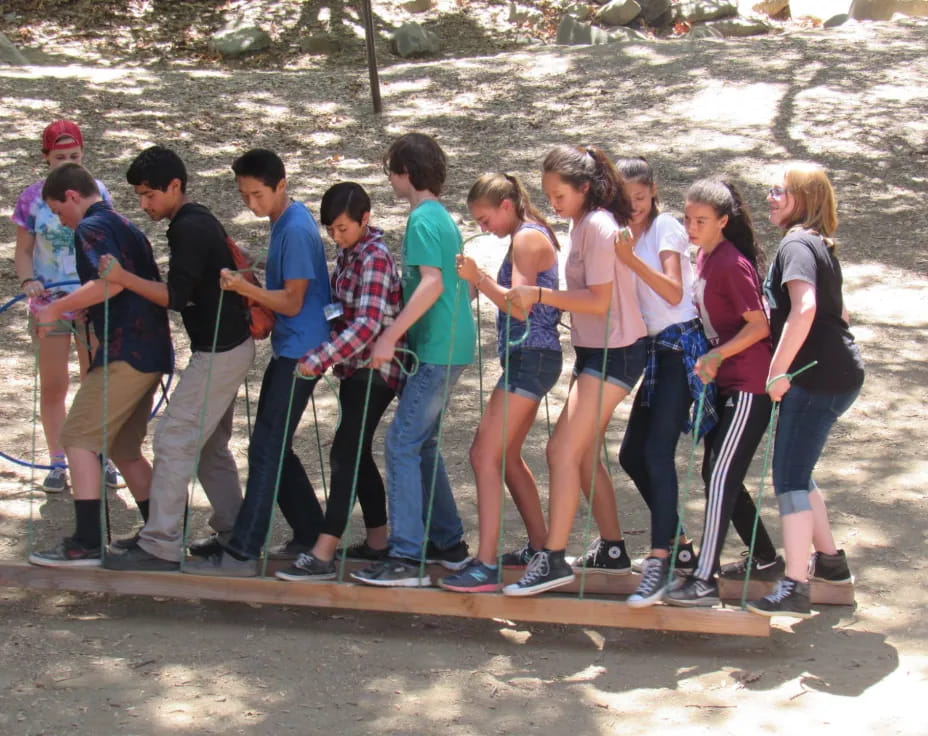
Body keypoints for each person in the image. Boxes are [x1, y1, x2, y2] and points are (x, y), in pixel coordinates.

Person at [96, 146, 255, 571]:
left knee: (173, 439)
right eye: (139, 197)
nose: (145, 204)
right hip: (225, 347)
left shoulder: (188, 228)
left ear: (175, 187)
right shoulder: (192, 221)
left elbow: (175, 297)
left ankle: (161, 544)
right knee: (209, 447)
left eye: (150, 195)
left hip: (221, 351)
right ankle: (232, 532)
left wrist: (121, 278)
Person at [502, 145, 648, 597]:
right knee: (580, 455)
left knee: (560, 451)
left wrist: (541, 298)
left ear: (584, 188)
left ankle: (552, 558)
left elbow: (599, 301)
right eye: (547, 194)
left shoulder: (601, 226)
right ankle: (613, 548)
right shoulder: (582, 222)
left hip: (616, 353)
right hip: (593, 352)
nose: (552, 203)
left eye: (558, 194)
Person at [185, 149, 331, 577]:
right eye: (244, 195)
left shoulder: (297, 229)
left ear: (281, 186)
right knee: (271, 443)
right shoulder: (282, 221)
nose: (252, 204)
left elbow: (292, 299)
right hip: (291, 345)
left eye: (258, 194)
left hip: (304, 351)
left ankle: (244, 552)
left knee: (267, 446)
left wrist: (239, 288)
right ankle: (309, 531)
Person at [28, 163, 172, 566]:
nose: (61, 219)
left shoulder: (90, 227)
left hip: (127, 352)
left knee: (77, 437)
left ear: (72, 196)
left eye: (58, 211)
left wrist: (56, 306)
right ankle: (159, 536)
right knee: (125, 447)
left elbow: (111, 282)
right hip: (152, 350)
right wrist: (82, 311)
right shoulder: (123, 223)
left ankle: (87, 542)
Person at [351, 132, 476, 588]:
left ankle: (405, 556)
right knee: (420, 443)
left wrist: (389, 336)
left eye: (391, 170)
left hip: (438, 349)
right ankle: (448, 543)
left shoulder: (423, 219)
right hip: (449, 345)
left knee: (401, 442)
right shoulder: (440, 216)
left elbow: (432, 284)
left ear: (405, 173)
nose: (389, 178)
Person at [747, 163, 864, 618]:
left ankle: (795, 584)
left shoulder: (796, 243)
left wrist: (778, 371)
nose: (770, 198)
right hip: (836, 373)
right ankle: (830, 564)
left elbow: (807, 308)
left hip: (817, 378)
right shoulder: (815, 244)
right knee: (801, 469)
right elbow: (843, 314)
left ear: (803, 197)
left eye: (779, 191)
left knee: (789, 479)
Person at [438, 173, 562, 593]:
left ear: (507, 206)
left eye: (485, 218)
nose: (483, 227)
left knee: (481, 454)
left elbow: (521, 307)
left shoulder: (527, 238)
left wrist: (479, 279)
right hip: (528, 359)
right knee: (506, 458)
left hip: (532, 358)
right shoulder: (527, 236)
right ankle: (541, 549)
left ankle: (486, 564)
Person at [662, 179, 782, 607]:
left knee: (719, 476)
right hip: (725, 385)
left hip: (750, 387)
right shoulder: (705, 256)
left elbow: (759, 325)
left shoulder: (731, 263)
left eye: (702, 221)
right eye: (688, 219)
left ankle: (704, 579)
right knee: (716, 473)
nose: (692, 227)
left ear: (723, 222)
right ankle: (766, 558)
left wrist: (717, 356)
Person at [275, 182, 404, 581]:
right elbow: (341, 313)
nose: (336, 235)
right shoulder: (348, 254)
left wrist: (319, 357)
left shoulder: (375, 258)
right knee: (356, 451)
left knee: (344, 453)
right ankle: (378, 541)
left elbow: (367, 327)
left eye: (344, 228)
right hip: (353, 369)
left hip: (377, 371)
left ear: (366, 219)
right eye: (331, 229)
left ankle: (324, 552)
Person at [610, 157, 708, 607]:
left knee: (655, 453)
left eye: (642, 198)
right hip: (652, 352)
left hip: (680, 348)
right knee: (632, 454)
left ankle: (660, 561)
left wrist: (629, 260)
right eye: (626, 200)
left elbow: (671, 291)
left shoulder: (666, 226)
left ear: (653, 192)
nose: (635, 208)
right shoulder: (622, 234)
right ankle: (681, 546)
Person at [11, 120, 122, 493]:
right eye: (59, 157)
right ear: (46, 158)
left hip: (90, 298)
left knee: (95, 382)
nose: (67, 163)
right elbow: (23, 252)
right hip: (50, 303)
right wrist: (29, 283)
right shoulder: (31, 199)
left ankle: (96, 455)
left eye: (74, 156)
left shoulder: (97, 193)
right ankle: (58, 461)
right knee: (55, 383)